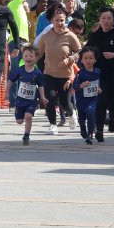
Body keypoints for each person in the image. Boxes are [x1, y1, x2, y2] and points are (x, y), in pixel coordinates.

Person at [34, 8, 82, 136]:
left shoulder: (70, 36)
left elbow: (79, 52)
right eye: (57, 20)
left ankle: (72, 114)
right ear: (52, 21)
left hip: (66, 75)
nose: (60, 23)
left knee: (65, 102)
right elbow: (38, 52)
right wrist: (30, 62)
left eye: (62, 20)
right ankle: (53, 125)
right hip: (49, 73)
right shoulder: (46, 36)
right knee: (50, 100)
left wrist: (68, 60)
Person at [84, 9, 114, 140]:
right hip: (99, 74)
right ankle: (99, 129)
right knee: (101, 101)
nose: (106, 21)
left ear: (113, 20)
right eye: (103, 18)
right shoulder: (95, 35)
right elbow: (87, 50)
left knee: (113, 102)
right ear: (100, 19)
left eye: (109, 18)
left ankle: (112, 117)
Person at [8, 44, 47, 144]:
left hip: (32, 100)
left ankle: (26, 135)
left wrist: (42, 97)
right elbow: (11, 81)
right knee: (19, 121)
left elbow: (41, 86)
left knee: (28, 116)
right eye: (26, 56)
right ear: (22, 57)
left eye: (31, 56)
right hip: (20, 100)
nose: (28, 58)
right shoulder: (19, 70)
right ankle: (18, 113)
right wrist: (6, 92)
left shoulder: (38, 73)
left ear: (35, 58)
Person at [71, 47, 101, 145]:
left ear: (95, 59)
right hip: (81, 100)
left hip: (93, 99)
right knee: (82, 118)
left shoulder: (98, 71)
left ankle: (90, 134)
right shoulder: (80, 73)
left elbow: (100, 83)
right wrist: (82, 85)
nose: (88, 60)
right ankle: (83, 128)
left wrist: (99, 88)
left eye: (91, 58)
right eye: (86, 58)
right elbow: (74, 86)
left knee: (90, 113)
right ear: (82, 60)